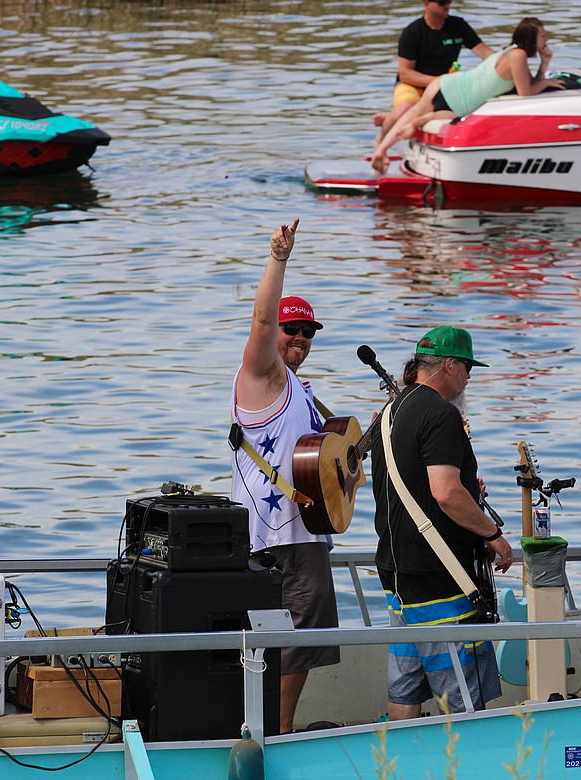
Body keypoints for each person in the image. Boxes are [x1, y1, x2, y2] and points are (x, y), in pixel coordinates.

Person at [371, 325, 514, 719]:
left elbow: (406, 485)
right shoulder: (441, 415)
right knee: (462, 699)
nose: (470, 376)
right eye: (468, 367)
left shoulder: (388, 414)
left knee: (405, 689)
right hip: (439, 579)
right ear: (449, 366)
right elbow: (446, 493)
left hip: (398, 576)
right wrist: (493, 534)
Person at [230, 218, 339, 734]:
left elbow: (328, 459)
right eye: (291, 329)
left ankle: (275, 726)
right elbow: (260, 321)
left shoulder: (302, 390)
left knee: (301, 637)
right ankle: (280, 731)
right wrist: (278, 258)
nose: (298, 337)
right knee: (297, 638)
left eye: (308, 331)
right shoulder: (261, 376)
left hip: (304, 532)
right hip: (281, 537)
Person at [371, 17, 564, 173]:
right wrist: (546, 81)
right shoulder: (518, 56)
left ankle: (381, 150)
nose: (546, 40)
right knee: (428, 115)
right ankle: (417, 124)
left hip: (446, 83)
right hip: (457, 98)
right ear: (531, 37)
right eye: (543, 36)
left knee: (413, 112)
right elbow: (526, 93)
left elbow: (529, 84)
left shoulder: (510, 51)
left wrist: (544, 64)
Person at [373, 0, 495, 146]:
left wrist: (506, 60)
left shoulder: (458, 25)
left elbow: (485, 53)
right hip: (412, 83)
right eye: (442, 2)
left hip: (442, 85)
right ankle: (380, 142)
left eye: (449, 1)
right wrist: (438, 81)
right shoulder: (413, 32)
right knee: (406, 108)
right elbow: (405, 73)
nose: (447, 5)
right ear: (427, 3)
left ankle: (392, 118)